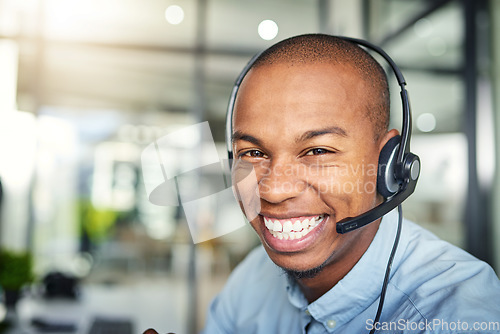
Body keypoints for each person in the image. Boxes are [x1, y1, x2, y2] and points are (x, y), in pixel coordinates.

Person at [145, 34, 500, 334]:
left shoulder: (456, 312)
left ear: (389, 162)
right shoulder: (250, 280)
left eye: (317, 150)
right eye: (252, 153)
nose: (273, 190)